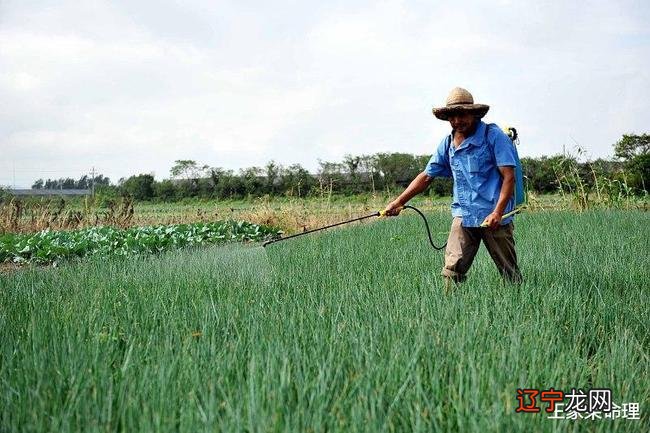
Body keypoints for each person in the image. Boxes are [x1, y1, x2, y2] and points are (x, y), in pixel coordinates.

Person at [383, 87, 522, 289]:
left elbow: (509, 177)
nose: (457, 121)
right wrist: (398, 202)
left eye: (462, 114)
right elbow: (426, 177)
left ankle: (517, 302)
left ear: (473, 113)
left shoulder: (494, 137)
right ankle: (449, 311)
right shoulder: (447, 144)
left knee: (509, 273)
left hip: (493, 216)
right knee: (451, 270)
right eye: (452, 116)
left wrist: (498, 212)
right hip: (464, 214)